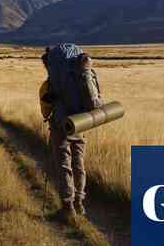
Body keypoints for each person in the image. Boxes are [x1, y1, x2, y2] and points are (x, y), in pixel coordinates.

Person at [40, 47, 103, 220]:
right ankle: (80, 203)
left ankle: (67, 207)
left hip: (60, 124)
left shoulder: (49, 85)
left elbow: (45, 113)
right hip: (81, 123)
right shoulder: (79, 77)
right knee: (78, 163)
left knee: (64, 164)